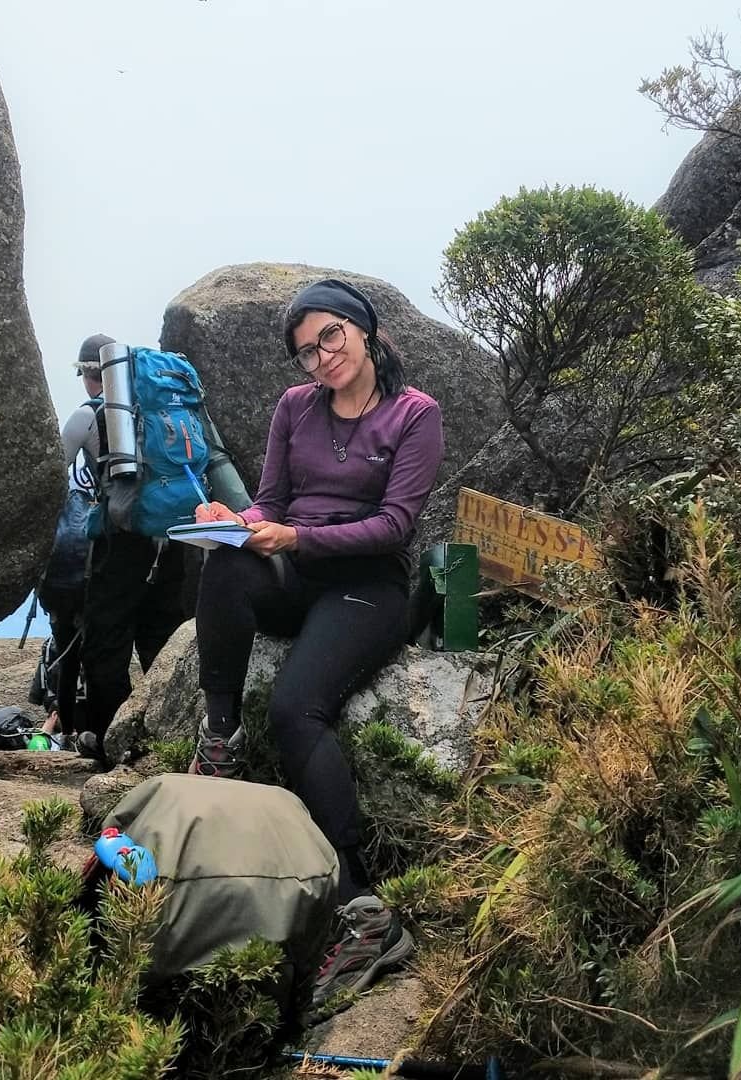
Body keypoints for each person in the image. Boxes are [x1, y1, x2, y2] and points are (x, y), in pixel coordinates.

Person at [186, 279, 444, 1009]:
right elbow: (270, 501)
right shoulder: (295, 407)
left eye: (331, 336)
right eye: (306, 350)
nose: (322, 357)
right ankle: (220, 736)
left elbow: (396, 525)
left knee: (297, 709)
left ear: (363, 329)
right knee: (225, 563)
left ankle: (364, 907)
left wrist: (296, 536)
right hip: (297, 573)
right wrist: (235, 521)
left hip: (368, 587)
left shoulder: (415, 413)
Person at [65, 334, 186, 761]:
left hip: (121, 541)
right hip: (174, 535)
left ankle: (110, 740)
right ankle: (169, 738)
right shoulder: (161, 412)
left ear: (88, 375)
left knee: (105, 641)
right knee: (163, 637)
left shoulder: (89, 415)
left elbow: (51, 472)